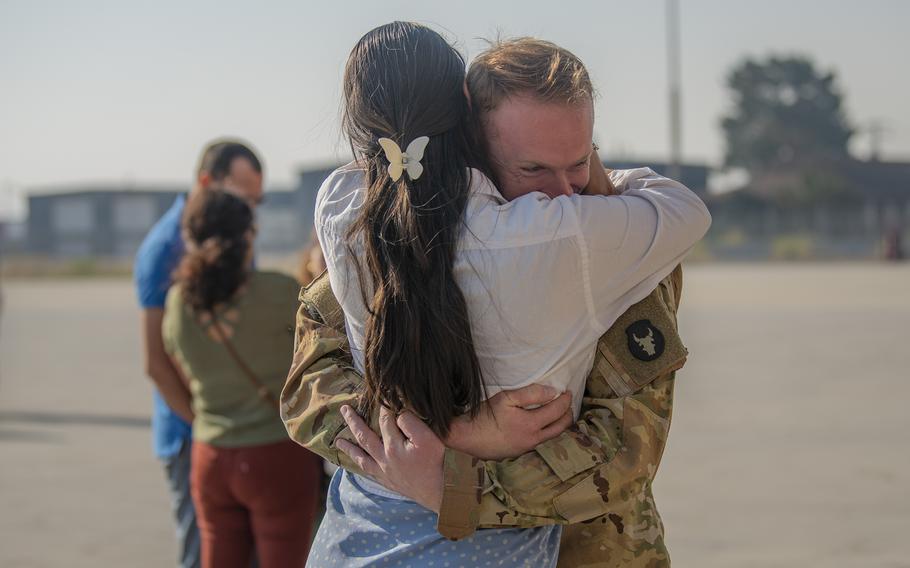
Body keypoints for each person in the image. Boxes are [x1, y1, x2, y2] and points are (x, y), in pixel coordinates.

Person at [294, 23, 709, 567]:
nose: (565, 192)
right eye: (531, 168)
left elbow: (626, 445)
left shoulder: (628, 253)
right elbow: (312, 386)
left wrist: (450, 479)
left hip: (596, 546)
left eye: (580, 161)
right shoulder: (391, 244)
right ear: (471, 140)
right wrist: (457, 437)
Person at [162, 189, 322, 568]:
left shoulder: (177, 302)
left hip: (210, 456)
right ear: (249, 235)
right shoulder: (280, 292)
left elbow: (177, 365)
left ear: (190, 238)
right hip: (276, 454)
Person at [133, 139, 264, 568]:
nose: (252, 212)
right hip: (194, 434)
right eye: (243, 198)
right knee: (203, 555)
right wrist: (209, 427)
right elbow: (157, 363)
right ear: (207, 182)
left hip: (240, 429)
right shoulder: (163, 250)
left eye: (256, 201)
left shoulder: (239, 233)